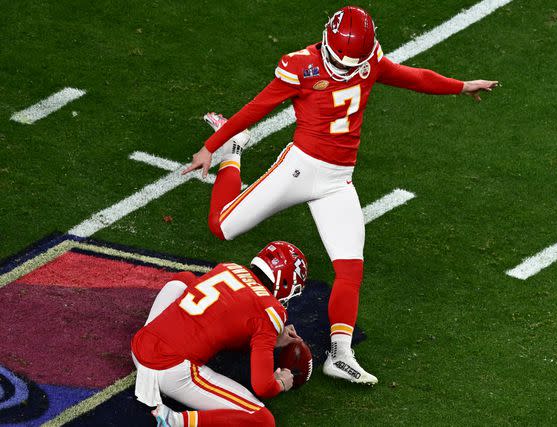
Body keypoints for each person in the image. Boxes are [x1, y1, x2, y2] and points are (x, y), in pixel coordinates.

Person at [182, 6, 498, 385]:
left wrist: (461, 85)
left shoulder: (370, 60)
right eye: (336, 61)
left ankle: (340, 354)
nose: (344, 70)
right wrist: (212, 146)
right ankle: (234, 151)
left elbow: (412, 77)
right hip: (299, 169)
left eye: (353, 64)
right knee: (222, 227)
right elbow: (258, 106)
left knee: (350, 269)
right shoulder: (301, 65)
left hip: (338, 180)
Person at [131, 241, 308, 427]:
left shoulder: (230, 267)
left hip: (140, 344)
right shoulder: (272, 311)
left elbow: (233, 323)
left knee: (185, 278)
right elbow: (262, 385)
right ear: (285, 282)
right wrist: (280, 383)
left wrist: (269, 337)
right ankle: (176, 420)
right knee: (262, 420)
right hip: (169, 369)